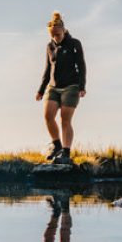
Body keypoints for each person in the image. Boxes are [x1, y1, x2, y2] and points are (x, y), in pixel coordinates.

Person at [35, 11, 86, 164]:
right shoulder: (49, 46)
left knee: (65, 119)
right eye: (52, 35)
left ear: (63, 30)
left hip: (71, 86)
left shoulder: (74, 43)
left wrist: (82, 86)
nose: (55, 37)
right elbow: (47, 69)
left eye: (57, 34)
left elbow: (81, 65)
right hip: (53, 87)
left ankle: (66, 152)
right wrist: (41, 90)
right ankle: (57, 145)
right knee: (48, 116)